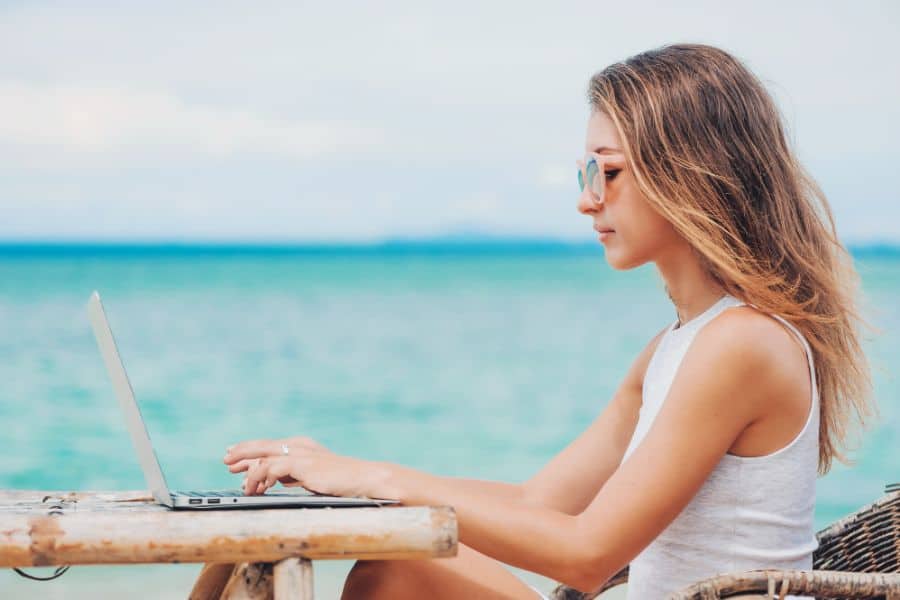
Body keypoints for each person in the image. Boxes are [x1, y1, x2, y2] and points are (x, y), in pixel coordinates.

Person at [222, 44, 874, 599]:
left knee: (394, 572)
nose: (587, 199)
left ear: (691, 176)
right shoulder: (677, 347)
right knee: (376, 566)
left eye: (610, 171)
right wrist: (346, 470)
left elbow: (586, 555)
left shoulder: (745, 343)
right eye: (588, 171)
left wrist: (376, 481)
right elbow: (539, 506)